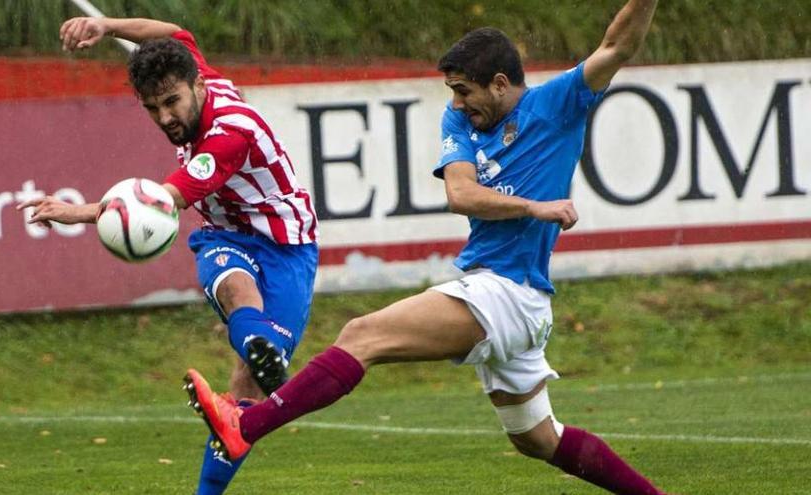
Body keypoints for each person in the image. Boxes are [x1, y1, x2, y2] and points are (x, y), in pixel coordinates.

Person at [185, 1, 669, 494]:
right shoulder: (460, 121)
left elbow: (617, 45)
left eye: (465, 91)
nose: (457, 103)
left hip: (508, 294)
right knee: (540, 439)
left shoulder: (559, 102)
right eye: (452, 92)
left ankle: (246, 427)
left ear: (501, 84)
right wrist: (534, 207)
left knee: (362, 334)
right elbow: (461, 194)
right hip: (507, 295)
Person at [16, 16, 318, 494]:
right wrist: (106, 25)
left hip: (288, 247)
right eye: (152, 108)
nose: (165, 118)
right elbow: (174, 33)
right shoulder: (193, 70)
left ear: (198, 86)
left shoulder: (230, 133)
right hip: (225, 236)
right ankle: (259, 344)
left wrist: (79, 212)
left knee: (239, 409)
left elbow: (158, 205)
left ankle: (258, 355)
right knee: (234, 285)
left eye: (172, 103)